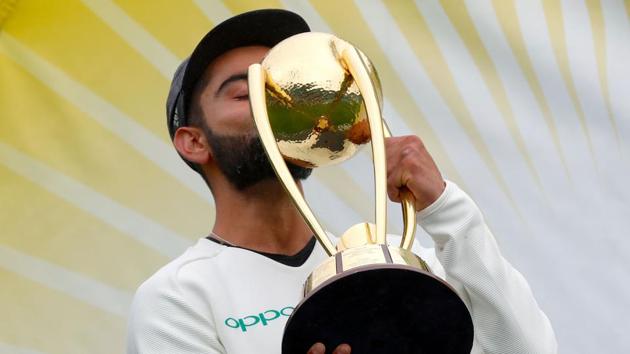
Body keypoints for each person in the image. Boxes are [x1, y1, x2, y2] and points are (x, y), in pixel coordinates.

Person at [126, 9, 557, 354]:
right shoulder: (177, 299)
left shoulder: (401, 268)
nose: (276, 105)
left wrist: (447, 209)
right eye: (246, 94)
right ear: (194, 142)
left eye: (285, 88)